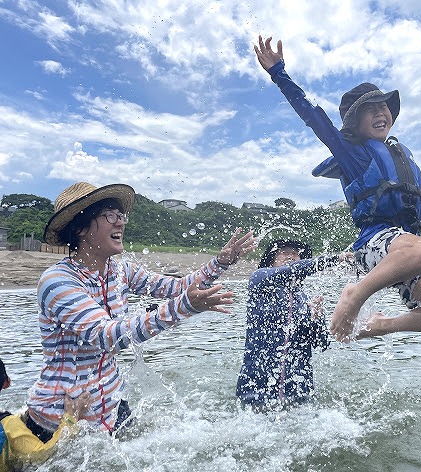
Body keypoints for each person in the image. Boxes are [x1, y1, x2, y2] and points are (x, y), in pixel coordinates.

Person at [254, 36, 421, 342]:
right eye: (370, 109)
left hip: (405, 252)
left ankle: (380, 326)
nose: (380, 112)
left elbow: (418, 203)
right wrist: (279, 73)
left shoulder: (398, 156)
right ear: (355, 122)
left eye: (383, 106)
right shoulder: (352, 151)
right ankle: (355, 296)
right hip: (376, 244)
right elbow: (312, 116)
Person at [25, 182, 256, 438]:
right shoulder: (57, 280)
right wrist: (184, 307)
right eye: (110, 216)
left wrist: (220, 263)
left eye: (121, 216)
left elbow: (177, 287)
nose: (120, 223)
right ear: (79, 227)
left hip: (111, 407)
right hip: (58, 417)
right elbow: (106, 335)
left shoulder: (121, 270)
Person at [236, 239, 352, 411]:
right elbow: (291, 271)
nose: (291, 255)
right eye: (283, 252)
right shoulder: (259, 279)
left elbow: (321, 343)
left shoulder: (303, 299)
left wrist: (316, 319)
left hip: (300, 392)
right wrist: (336, 258)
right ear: (271, 260)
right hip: (256, 391)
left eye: (296, 253)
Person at [1, 358, 90, 472]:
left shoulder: (10, 423)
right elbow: (43, 456)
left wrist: (22, 417)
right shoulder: (8, 425)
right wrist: (70, 418)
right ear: (7, 382)